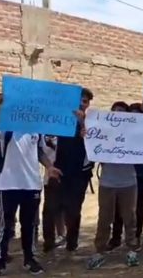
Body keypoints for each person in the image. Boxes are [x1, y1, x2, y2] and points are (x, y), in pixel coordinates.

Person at [0, 94, 62, 277]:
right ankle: (0, 262)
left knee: (30, 224)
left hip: (32, 184)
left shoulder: (36, 129)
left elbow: (39, 151)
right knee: (5, 224)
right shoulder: (6, 127)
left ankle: (30, 259)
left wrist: (49, 167)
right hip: (8, 184)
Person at [87, 101, 140, 269]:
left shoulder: (134, 134)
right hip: (108, 182)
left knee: (129, 217)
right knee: (104, 218)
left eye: (122, 112)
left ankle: (132, 249)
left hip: (128, 182)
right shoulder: (103, 133)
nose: (118, 114)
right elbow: (94, 154)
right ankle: (99, 251)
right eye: (115, 111)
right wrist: (88, 137)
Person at [110, 103, 143, 250]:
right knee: (119, 207)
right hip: (123, 172)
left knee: (138, 207)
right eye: (131, 114)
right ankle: (116, 238)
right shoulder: (118, 130)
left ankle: (135, 237)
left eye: (138, 114)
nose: (134, 117)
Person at [51, 88, 94, 253]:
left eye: (84, 101)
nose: (81, 104)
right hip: (60, 170)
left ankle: (72, 241)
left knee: (74, 209)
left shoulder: (93, 122)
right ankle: (53, 239)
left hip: (80, 174)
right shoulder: (60, 121)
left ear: (88, 104)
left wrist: (83, 124)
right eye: (79, 100)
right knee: (54, 207)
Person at [41, 135, 66, 253]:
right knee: (49, 210)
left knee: (66, 208)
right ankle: (49, 242)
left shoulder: (67, 132)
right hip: (50, 177)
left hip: (69, 174)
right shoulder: (40, 135)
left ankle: (64, 235)